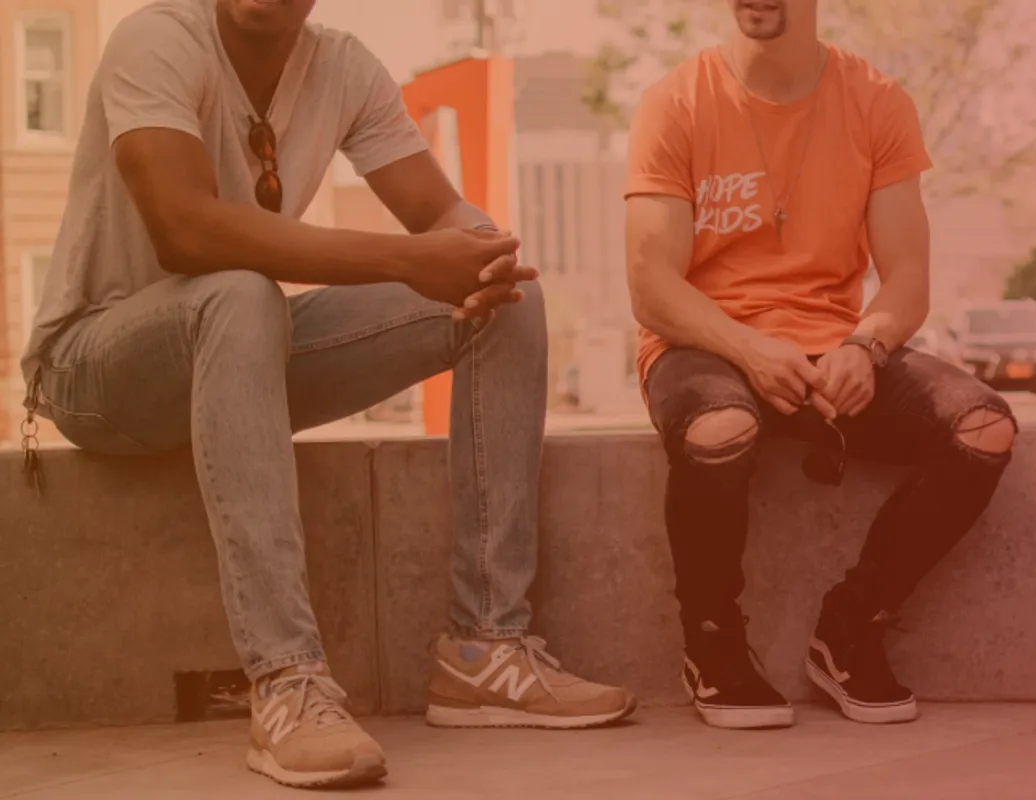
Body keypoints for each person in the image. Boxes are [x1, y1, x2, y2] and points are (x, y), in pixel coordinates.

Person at [18, 0, 633, 789]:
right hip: (93, 369)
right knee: (239, 292)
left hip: (237, 351)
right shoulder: (157, 38)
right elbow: (185, 232)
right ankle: (286, 682)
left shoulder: (341, 68)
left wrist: (478, 251)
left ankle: (485, 650)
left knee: (506, 302)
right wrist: (406, 261)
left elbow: (439, 211)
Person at [623, 0, 1017, 730]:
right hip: (704, 347)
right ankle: (711, 643)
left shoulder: (877, 101)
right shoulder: (673, 103)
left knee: (983, 430)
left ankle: (851, 624)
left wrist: (866, 346)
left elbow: (907, 279)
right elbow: (653, 287)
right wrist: (746, 347)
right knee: (719, 429)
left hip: (834, 346)